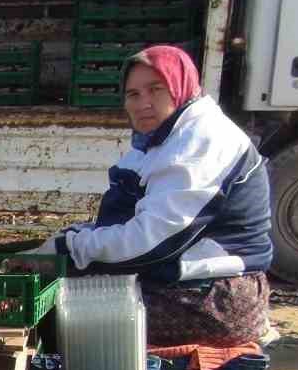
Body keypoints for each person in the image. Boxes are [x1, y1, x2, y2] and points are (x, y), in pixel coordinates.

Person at [31, 45, 274, 347]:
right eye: (133, 94)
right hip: (183, 282)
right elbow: (126, 218)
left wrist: (69, 249)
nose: (143, 103)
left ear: (179, 86)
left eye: (155, 90)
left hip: (215, 298)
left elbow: (150, 243)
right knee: (54, 293)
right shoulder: (163, 139)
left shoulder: (203, 141)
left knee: (56, 312)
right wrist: (67, 240)